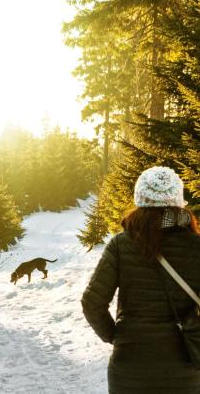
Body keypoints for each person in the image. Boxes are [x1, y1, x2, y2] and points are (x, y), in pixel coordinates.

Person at [81, 166, 200, 394]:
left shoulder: (120, 245)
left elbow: (92, 303)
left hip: (129, 367)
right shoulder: (197, 247)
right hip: (186, 368)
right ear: (178, 200)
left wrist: (115, 336)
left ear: (140, 199)